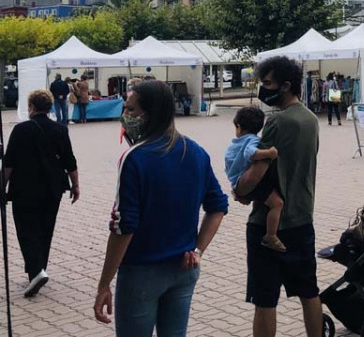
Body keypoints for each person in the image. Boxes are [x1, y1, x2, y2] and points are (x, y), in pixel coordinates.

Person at [93, 81, 227, 335]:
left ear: (150, 113)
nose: (125, 116)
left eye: (131, 110)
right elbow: (218, 207)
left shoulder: (135, 158)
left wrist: (104, 284)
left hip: (141, 273)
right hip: (184, 269)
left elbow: (124, 227)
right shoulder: (195, 151)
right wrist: (198, 249)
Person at [239, 56, 322, 337]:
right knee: (309, 292)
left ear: (286, 86)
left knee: (265, 300)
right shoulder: (311, 120)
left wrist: (239, 191)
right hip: (302, 218)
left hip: (267, 225)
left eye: (268, 83)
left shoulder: (277, 123)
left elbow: (255, 173)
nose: (264, 89)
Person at [2, 89, 79, 298]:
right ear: (49, 107)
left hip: (24, 190)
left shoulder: (21, 130)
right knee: (46, 229)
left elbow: (9, 163)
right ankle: (38, 270)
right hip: (52, 188)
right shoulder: (60, 130)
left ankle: (36, 272)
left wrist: (3, 187)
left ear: (31, 107)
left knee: (27, 231)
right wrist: (76, 185)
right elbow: (69, 160)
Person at [225, 107, 285, 252]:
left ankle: (244, 196)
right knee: (277, 204)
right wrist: (268, 153)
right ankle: (271, 235)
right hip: (249, 182)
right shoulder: (252, 140)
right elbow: (250, 153)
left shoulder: (234, 143)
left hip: (237, 182)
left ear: (238, 127)